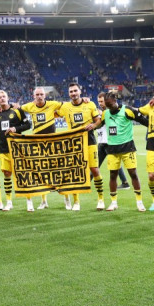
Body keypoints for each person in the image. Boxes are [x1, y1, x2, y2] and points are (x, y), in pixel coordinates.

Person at [91, 92, 148, 212]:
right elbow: (99, 124)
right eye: (107, 106)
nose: (109, 108)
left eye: (110, 105)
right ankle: (113, 203)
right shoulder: (106, 113)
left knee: (133, 174)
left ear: (115, 100)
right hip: (112, 149)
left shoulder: (127, 110)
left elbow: (144, 121)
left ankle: (139, 202)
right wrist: (91, 126)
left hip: (128, 148)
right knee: (113, 176)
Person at [57, 83, 104, 211]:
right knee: (74, 172)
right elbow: (53, 112)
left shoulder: (90, 104)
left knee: (94, 170)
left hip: (89, 141)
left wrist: (93, 125)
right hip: (73, 143)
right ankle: (76, 202)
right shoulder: (65, 107)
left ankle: (101, 199)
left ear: (80, 91)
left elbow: (98, 120)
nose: (73, 93)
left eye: (75, 91)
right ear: (69, 94)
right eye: (71, 91)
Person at [20, 87, 63, 211]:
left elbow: (67, 106)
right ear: (34, 96)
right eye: (37, 94)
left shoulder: (52, 104)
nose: (39, 96)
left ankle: (67, 199)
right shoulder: (29, 106)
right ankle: (44, 201)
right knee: (40, 172)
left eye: (41, 94)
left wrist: (84, 100)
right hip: (38, 145)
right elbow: (17, 108)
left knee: (59, 171)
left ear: (45, 95)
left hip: (52, 145)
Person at [0, 89, 31, 211]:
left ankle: (29, 201)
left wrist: (15, 128)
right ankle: (9, 202)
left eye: (3, 96)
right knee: (7, 175)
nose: (2, 98)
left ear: (8, 97)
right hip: (3, 149)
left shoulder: (17, 110)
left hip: (17, 148)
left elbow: (28, 125)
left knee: (22, 175)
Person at [96, 92, 131, 190]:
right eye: (99, 101)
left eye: (102, 101)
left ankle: (86, 184)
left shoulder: (109, 112)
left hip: (109, 142)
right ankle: (125, 182)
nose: (100, 103)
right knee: (99, 164)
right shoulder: (100, 112)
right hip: (102, 142)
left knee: (97, 165)